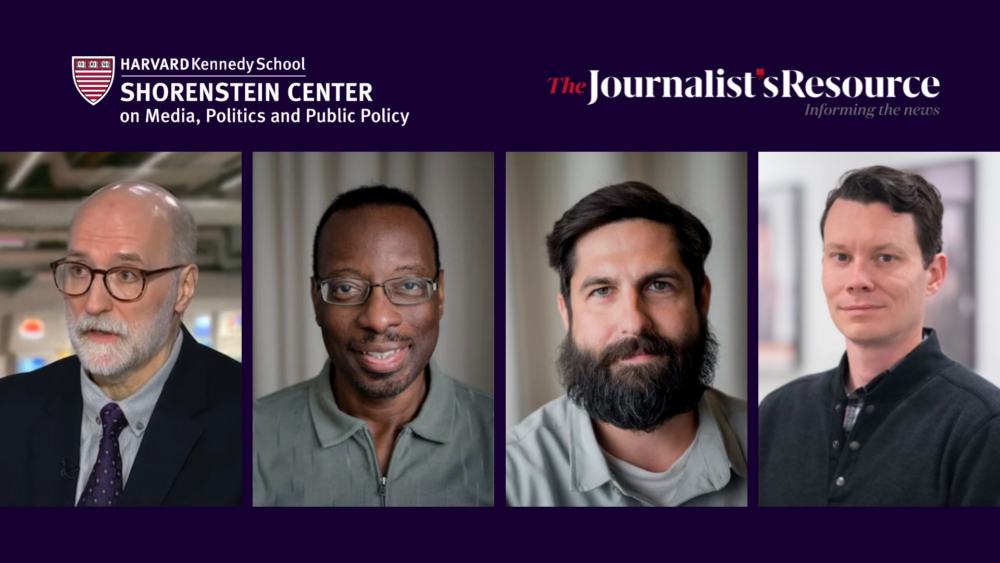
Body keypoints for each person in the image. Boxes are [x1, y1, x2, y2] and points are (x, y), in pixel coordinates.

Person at [758, 166, 1000, 506]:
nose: (858, 280)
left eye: (885, 257)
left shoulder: (983, 425)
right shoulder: (775, 413)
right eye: (841, 257)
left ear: (934, 274)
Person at [0, 181, 242, 507]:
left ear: (183, 288)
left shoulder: (248, 419)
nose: (94, 303)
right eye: (79, 270)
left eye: (127, 275)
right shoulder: (9, 410)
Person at [505, 181, 747, 507]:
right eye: (602, 291)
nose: (634, 322)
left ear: (701, 299)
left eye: (659, 285)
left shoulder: (773, 443)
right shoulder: (510, 479)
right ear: (567, 312)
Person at [253, 185, 493, 506]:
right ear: (316, 300)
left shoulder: (499, 436)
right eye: (346, 288)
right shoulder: (250, 437)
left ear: (440, 296)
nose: (379, 319)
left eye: (409, 285)